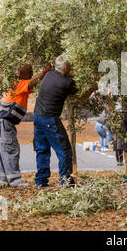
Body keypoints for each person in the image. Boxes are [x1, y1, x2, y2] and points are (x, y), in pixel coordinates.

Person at [33, 55, 90, 188]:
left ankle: (41, 182)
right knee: (64, 151)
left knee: (42, 149)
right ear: (65, 68)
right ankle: (66, 182)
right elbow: (81, 97)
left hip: (37, 116)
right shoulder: (67, 82)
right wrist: (93, 88)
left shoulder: (49, 75)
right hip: (50, 119)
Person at [0, 63, 50, 188]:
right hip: (4, 121)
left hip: (1, 121)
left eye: (32, 71)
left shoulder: (18, 83)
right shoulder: (20, 83)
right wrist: (44, 72)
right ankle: (15, 181)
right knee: (10, 149)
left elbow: (31, 85)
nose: (31, 74)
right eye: (29, 72)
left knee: (3, 150)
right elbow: (31, 83)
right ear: (21, 74)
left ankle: (2, 180)